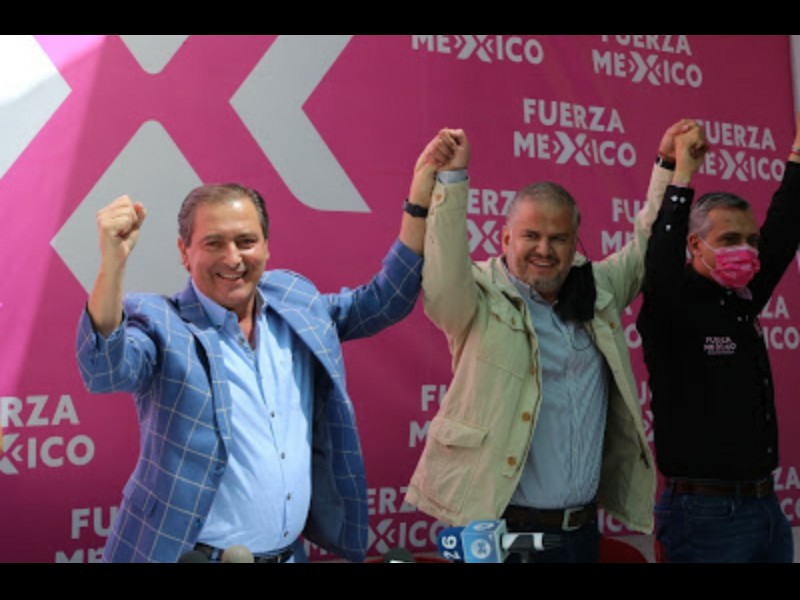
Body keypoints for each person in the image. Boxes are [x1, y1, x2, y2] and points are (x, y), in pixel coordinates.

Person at [75, 180, 432, 563]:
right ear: (184, 251)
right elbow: (104, 370)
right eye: (214, 243)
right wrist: (113, 263)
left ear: (266, 246)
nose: (233, 259)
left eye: (246, 241)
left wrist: (418, 206)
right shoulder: (162, 322)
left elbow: (381, 302)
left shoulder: (295, 301)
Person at [404, 122, 699, 562]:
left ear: (574, 242)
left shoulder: (598, 288)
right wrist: (452, 179)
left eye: (558, 238)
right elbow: (443, 270)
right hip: (500, 533)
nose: (544, 249)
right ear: (506, 238)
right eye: (531, 236)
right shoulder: (478, 294)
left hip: (581, 533)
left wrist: (668, 166)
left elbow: (646, 246)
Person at [637, 113, 800, 563]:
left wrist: (798, 155)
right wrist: (681, 177)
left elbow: (785, 227)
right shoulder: (671, 302)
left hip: (766, 505)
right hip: (704, 514)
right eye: (729, 239)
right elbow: (659, 260)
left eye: (750, 240)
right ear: (694, 245)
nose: (744, 250)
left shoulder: (743, 298)